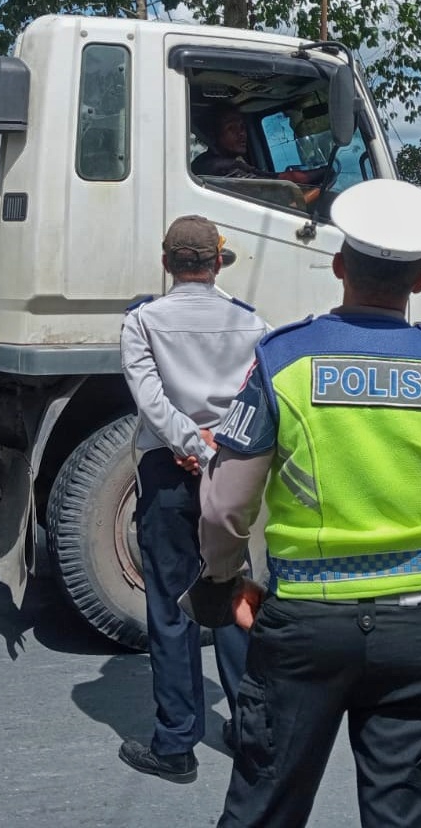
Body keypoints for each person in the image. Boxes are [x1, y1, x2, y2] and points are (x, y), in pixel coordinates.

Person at [186, 178, 421, 828]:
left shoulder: (284, 359)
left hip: (303, 626)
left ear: (338, 267)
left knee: (263, 810)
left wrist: (223, 583)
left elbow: (226, 508)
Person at [117, 214, 269, 785]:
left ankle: (177, 744)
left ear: (166, 263)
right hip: (229, 471)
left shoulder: (142, 323)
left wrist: (187, 443)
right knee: (231, 595)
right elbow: (257, 397)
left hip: (166, 468)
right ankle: (251, 734)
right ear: (217, 261)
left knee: (169, 604)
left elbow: (149, 396)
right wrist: (216, 447)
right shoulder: (253, 323)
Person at [192, 106, 325, 187]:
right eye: (231, 128)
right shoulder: (220, 167)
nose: (242, 133)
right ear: (214, 135)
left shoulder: (207, 162)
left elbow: (267, 178)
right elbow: (277, 184)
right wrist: (326, 171)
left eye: (242, 126)